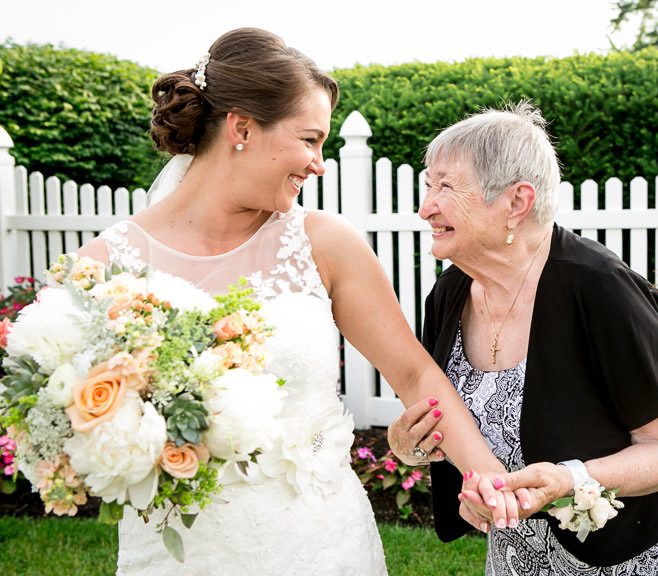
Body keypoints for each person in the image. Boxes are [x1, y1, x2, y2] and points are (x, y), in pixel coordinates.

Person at [77, 27, 517, 575]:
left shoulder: (324, 243)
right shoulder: (105, 263)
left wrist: (492, 481)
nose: (319, 162)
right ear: (241, 127)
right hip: (176, 552)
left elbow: (415, 375)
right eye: (309, 139)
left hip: (320, 544)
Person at [387, 102, 658, 574]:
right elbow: (443, 426)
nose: (425, 206)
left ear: (517, 202)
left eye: (447, 186)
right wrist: (409, 446)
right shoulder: (449, 293)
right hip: (524, 552)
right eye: (428, 184)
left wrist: (569, 480)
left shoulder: (601, 289)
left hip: (644, 546)